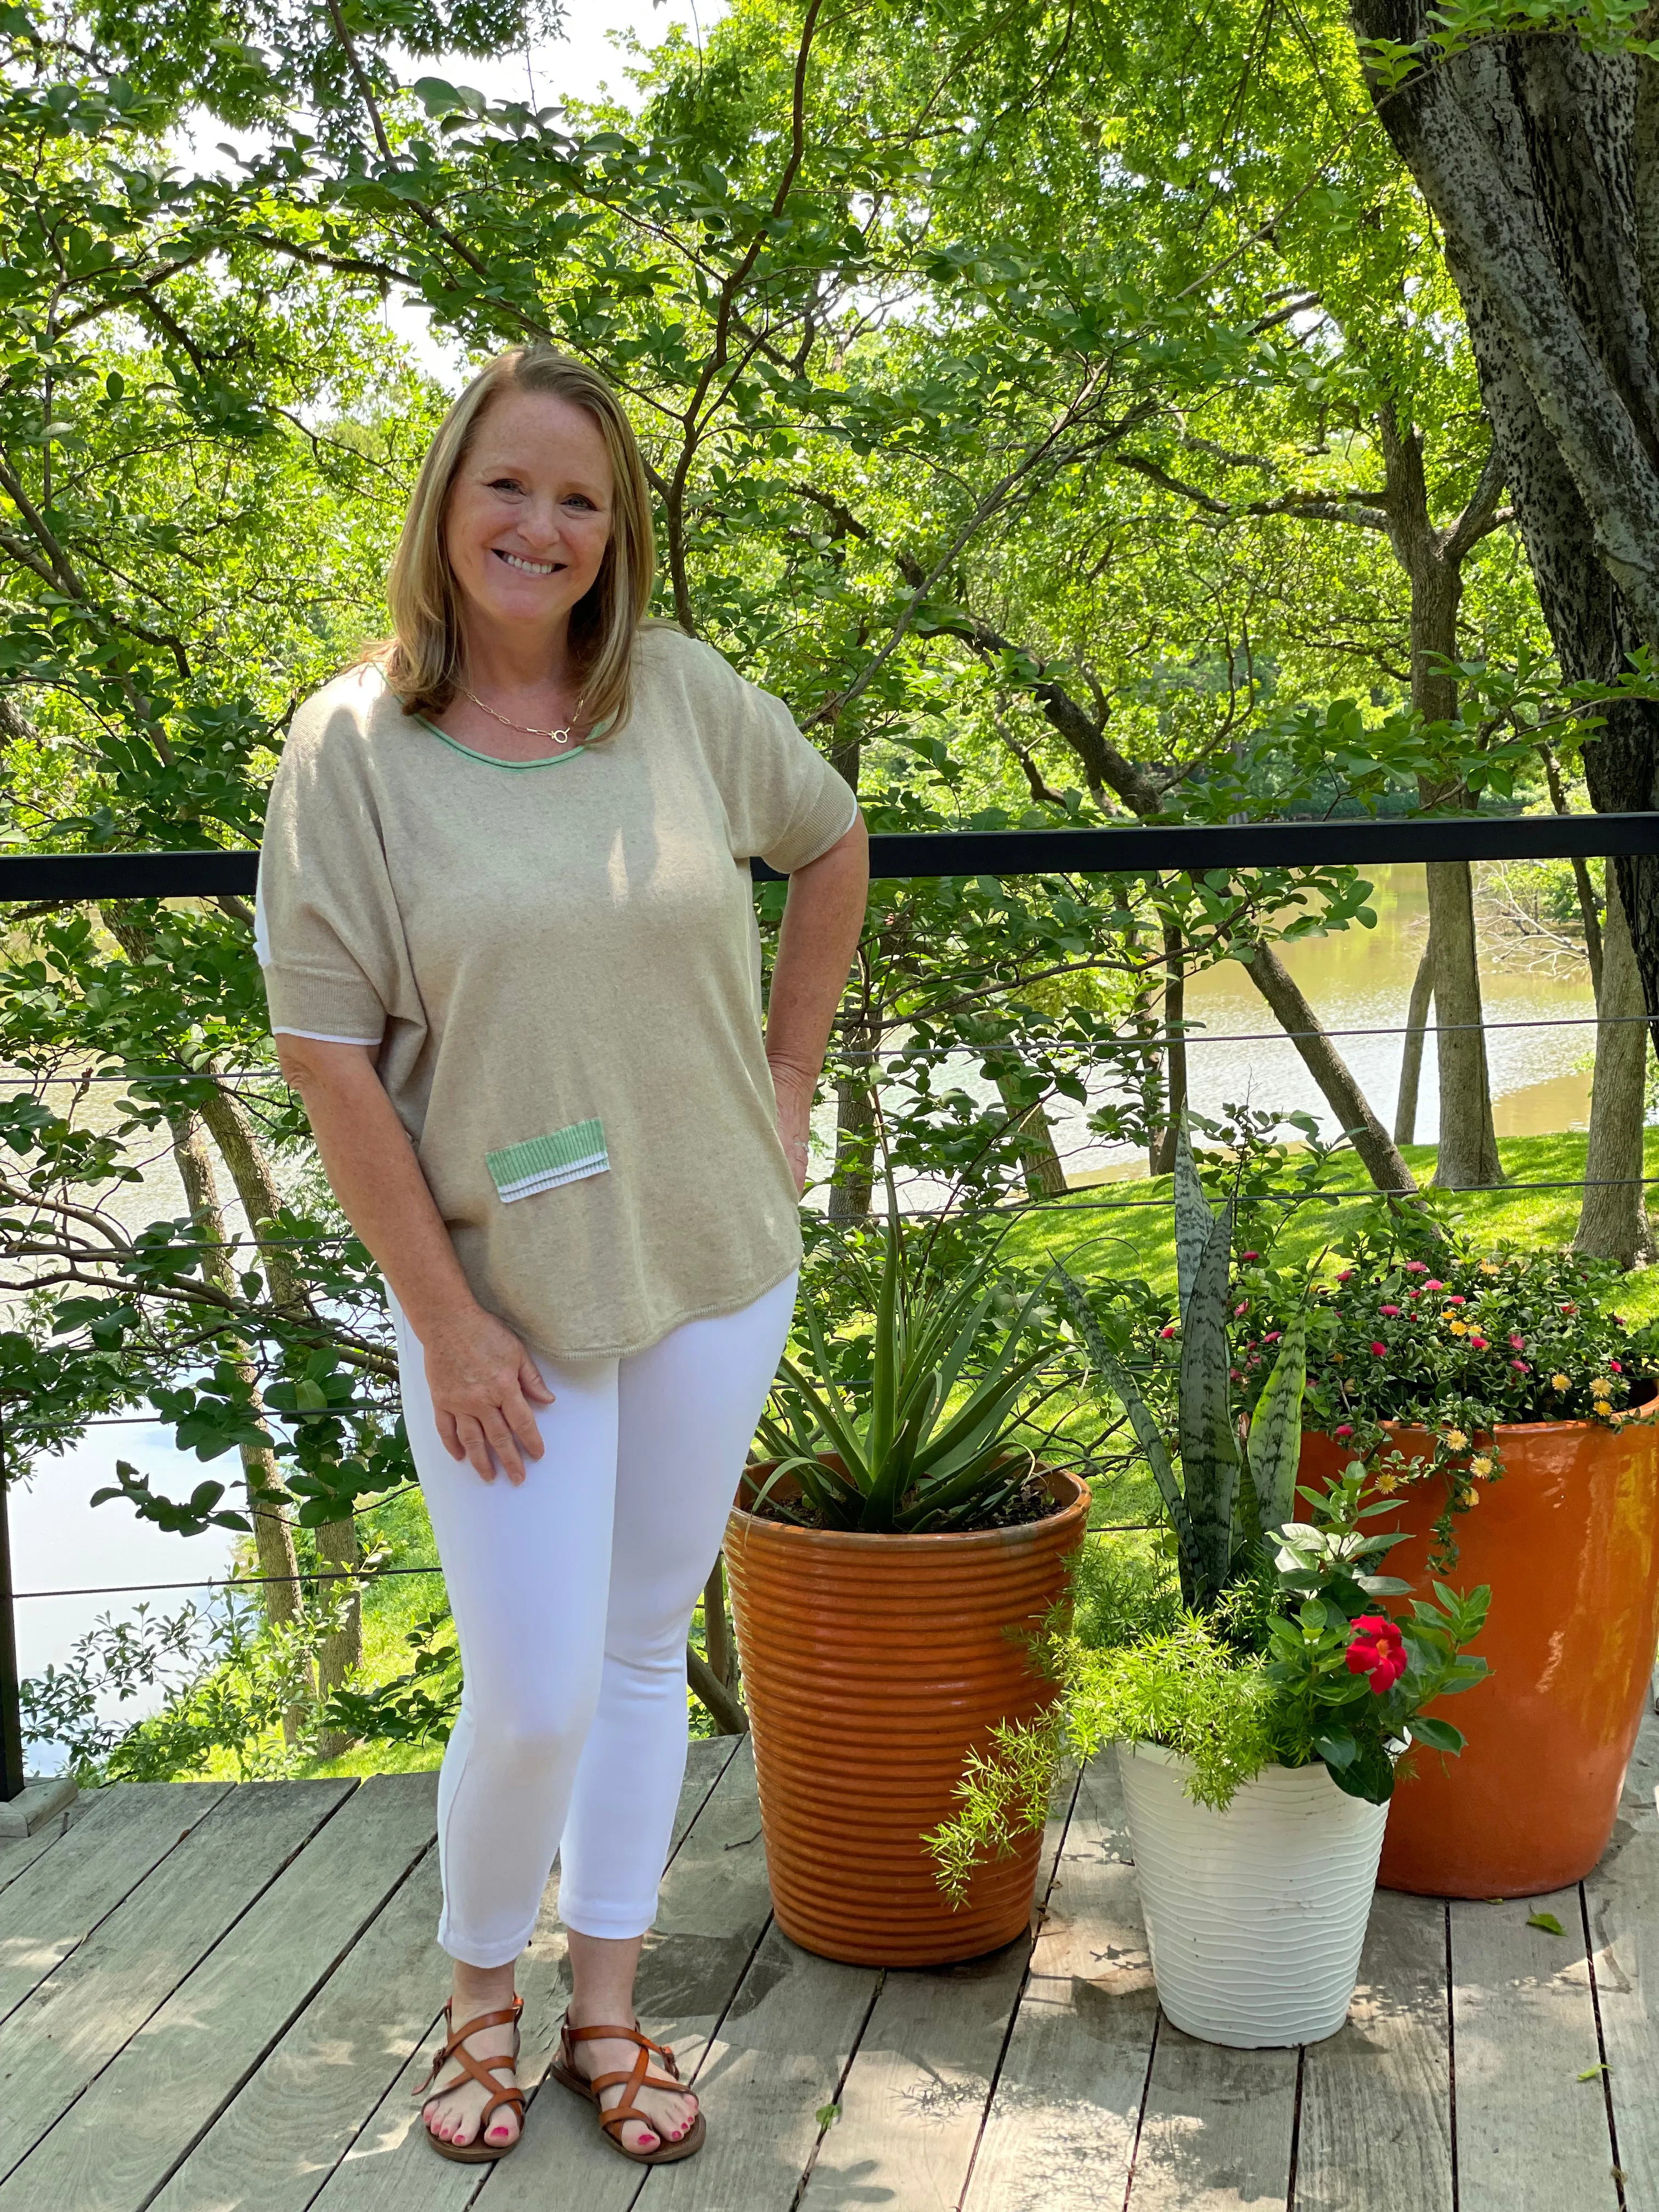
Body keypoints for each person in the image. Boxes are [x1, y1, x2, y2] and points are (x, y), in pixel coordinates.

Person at [257, 345, 868, 2166]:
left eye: (581, 500)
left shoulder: (674, 695)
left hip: (713, 1255)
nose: (542, 525)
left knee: (630, 1648)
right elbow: (322, 1052)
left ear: (621, 537)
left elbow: (829, 843)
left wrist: (784, 1072)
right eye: (509, 487)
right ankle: (473, 1996)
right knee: (526, 1681)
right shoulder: (351, 747)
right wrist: (438, 1322)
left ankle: (607, 2006)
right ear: (446, 503)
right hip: (498, 1294)